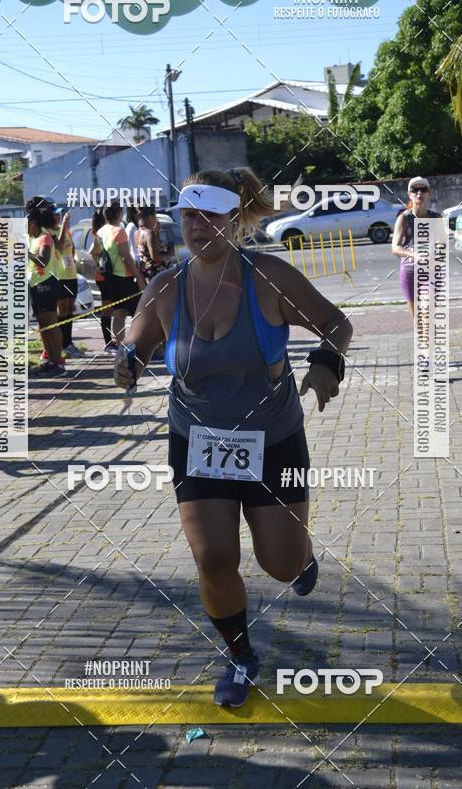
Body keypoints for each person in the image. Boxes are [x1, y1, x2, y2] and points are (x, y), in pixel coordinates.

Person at [115, 167, 352, 707]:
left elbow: (336, 323)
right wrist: (126, 363)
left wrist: (325, 361)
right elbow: (137, 345)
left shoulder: (268, 276)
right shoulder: (164, 287)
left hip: (273, 439)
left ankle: (301, 556)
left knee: (281, 564)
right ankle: (240, 657)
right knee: (215, 559)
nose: (199, 226)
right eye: (189, 216)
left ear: (234, 218)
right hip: (198, 442)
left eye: (211, 215)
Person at [92, 203, 145, 347]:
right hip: (124, 277)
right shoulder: (119, 231)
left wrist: (102, 263)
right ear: (118, 214)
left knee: (120, 313)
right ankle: (143, 344)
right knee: (140, 312)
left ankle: (120, 346)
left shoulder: (101, 231)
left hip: (111, 278)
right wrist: (139, 279)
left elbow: (94, 252)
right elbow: (126, 258)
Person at [392, 176, 442, 318]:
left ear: (428, 193)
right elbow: (395, 248)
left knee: (427, 313)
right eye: (415, 190)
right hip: (409, 272)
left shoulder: (436, 218)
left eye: (423, 190)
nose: (419, 193)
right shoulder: (404, 218)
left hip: (431, 272)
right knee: (417, 320)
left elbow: (442, 246)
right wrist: (414, 254)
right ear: (409, 194)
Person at [26, 208, 65, 378]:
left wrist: (26, 253)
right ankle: (49, 361)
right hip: (35, 285)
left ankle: (57, 363)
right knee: (43, 326)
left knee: (51, 324)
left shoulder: (45, 238)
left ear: (33, 223)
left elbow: (43, 260)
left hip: (47, 284)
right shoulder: (32, 239)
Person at [51, 206, 84, 359]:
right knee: (61, 311)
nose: (60, 216)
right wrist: (64, 225)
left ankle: (69, 343)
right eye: (57, 215)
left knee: (70, 311)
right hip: (60, 275)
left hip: (71, 274)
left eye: (61, 214)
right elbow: (60, 244)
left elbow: (71, 249)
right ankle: (61, 344)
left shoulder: (64, 229)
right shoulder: (51, 232)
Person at [89, 209, 115, 354]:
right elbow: (92, 251)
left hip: (104, 275)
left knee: (110, 309)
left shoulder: (99, 232)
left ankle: (111, 341)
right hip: (103, 276)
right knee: (107, 310)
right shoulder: (100, 233)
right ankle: (108, 343)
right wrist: (99, 265)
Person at [136, 206, 174, 283]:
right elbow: (155, 257)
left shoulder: (138, 231)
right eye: (155, 216)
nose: (156, 219)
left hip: (147, 274)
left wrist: (156, 233)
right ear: (150, 217)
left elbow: (147, 251)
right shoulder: (149, 233)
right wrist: (169, 254)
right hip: (156, 275)